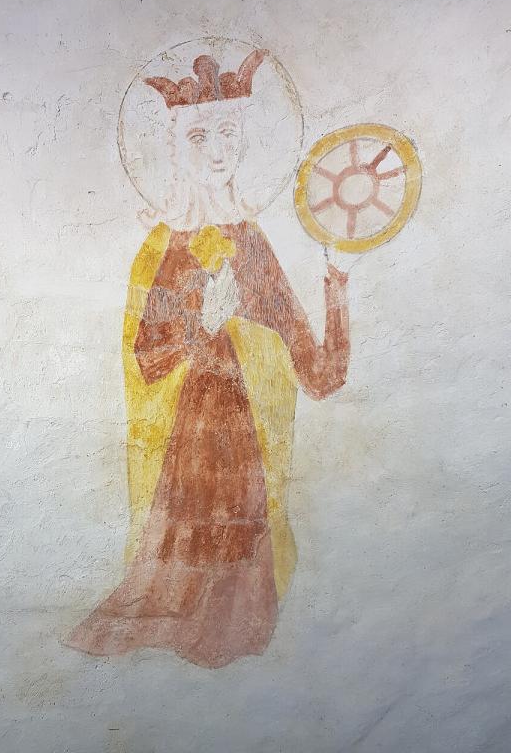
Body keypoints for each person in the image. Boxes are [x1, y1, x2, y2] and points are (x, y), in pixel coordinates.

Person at [68, 50, 350, 668]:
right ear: (176, 148)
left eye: (228, 133)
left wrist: (339, 282)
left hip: (248, 444)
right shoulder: (165, 248)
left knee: (241, 588)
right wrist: (203, 327)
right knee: (187, 563)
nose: (218, 151)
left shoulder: (253, 244)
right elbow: (147, 359)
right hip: (189, 443)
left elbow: (319, 373)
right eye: (200, 137)